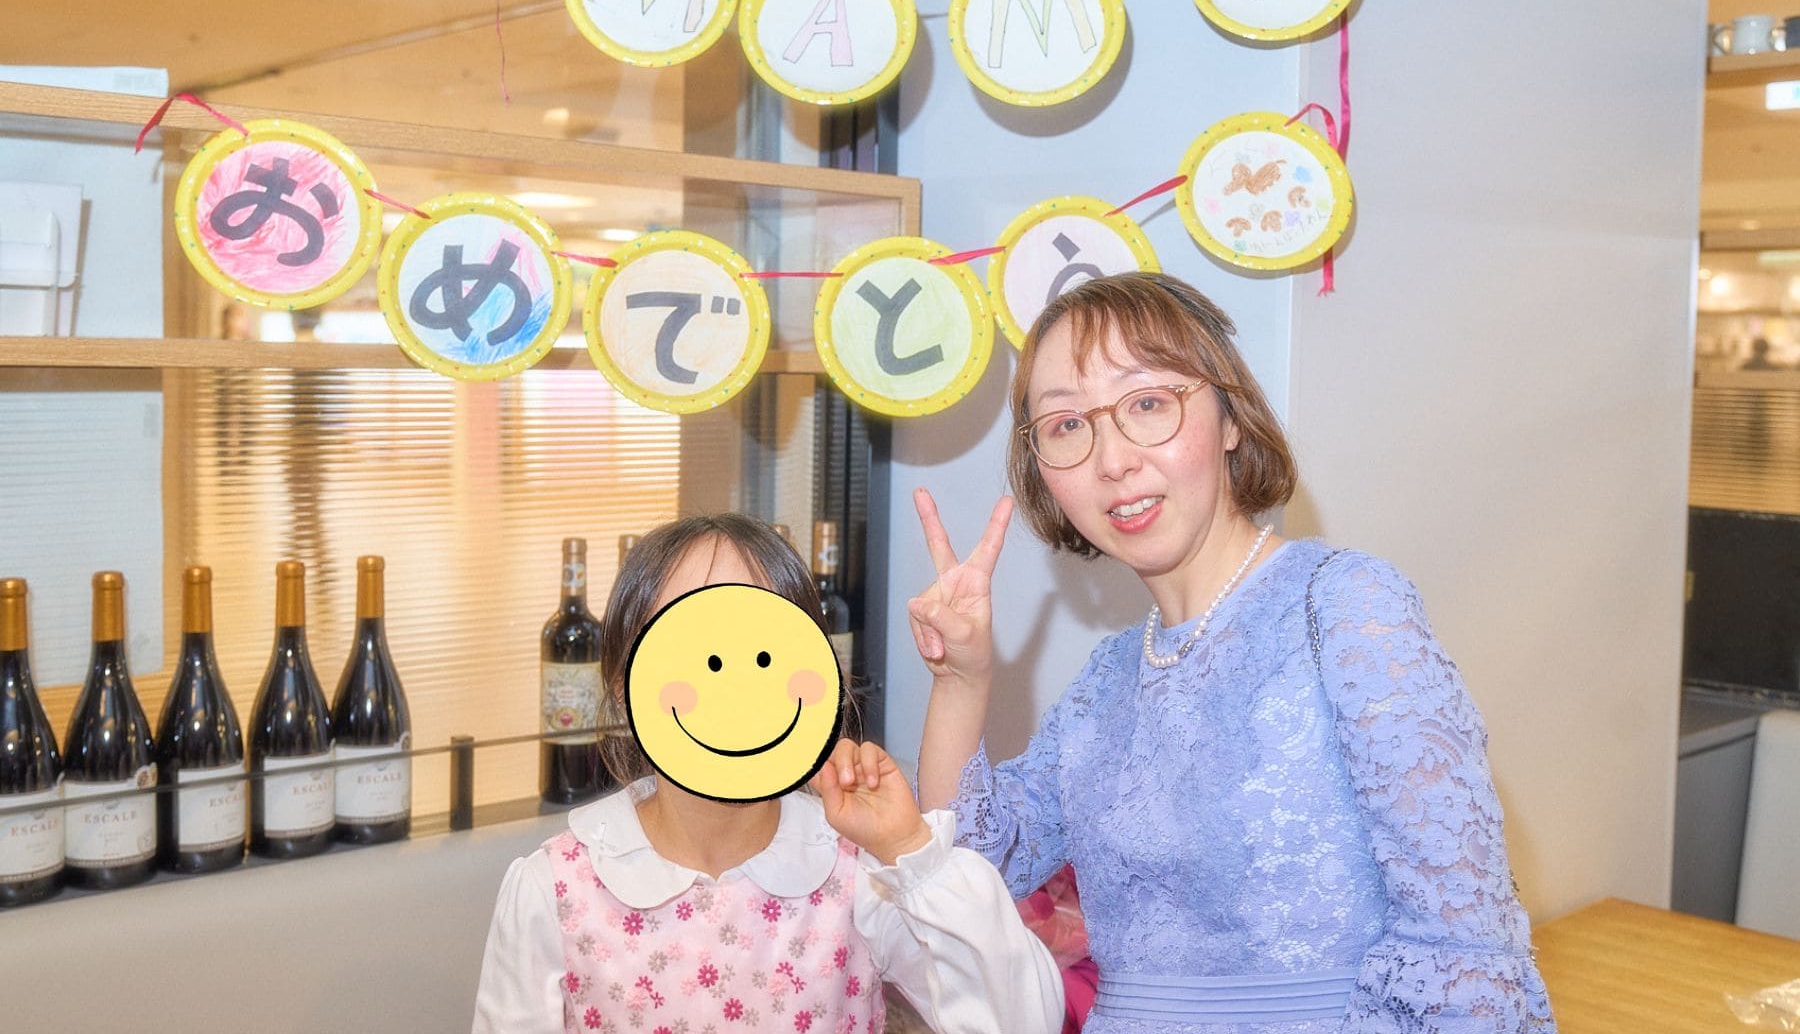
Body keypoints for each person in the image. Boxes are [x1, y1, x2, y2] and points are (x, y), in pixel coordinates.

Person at [908, 273, 1556, 1032]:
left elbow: (1462, 946)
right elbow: (972, 863)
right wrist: (960, 680)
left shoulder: (1343, 607)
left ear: (1229, 418)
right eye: (1067, 424)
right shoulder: (1106, 683)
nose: (1112, 460)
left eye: (1147, 403)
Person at [474, 513, 1063, 1034]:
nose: (733, 684)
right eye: (695, 643)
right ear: (624, 684)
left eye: (762, 649)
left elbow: (1021, 1021)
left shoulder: (858, 872)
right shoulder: (554, 889)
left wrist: (911, 851)